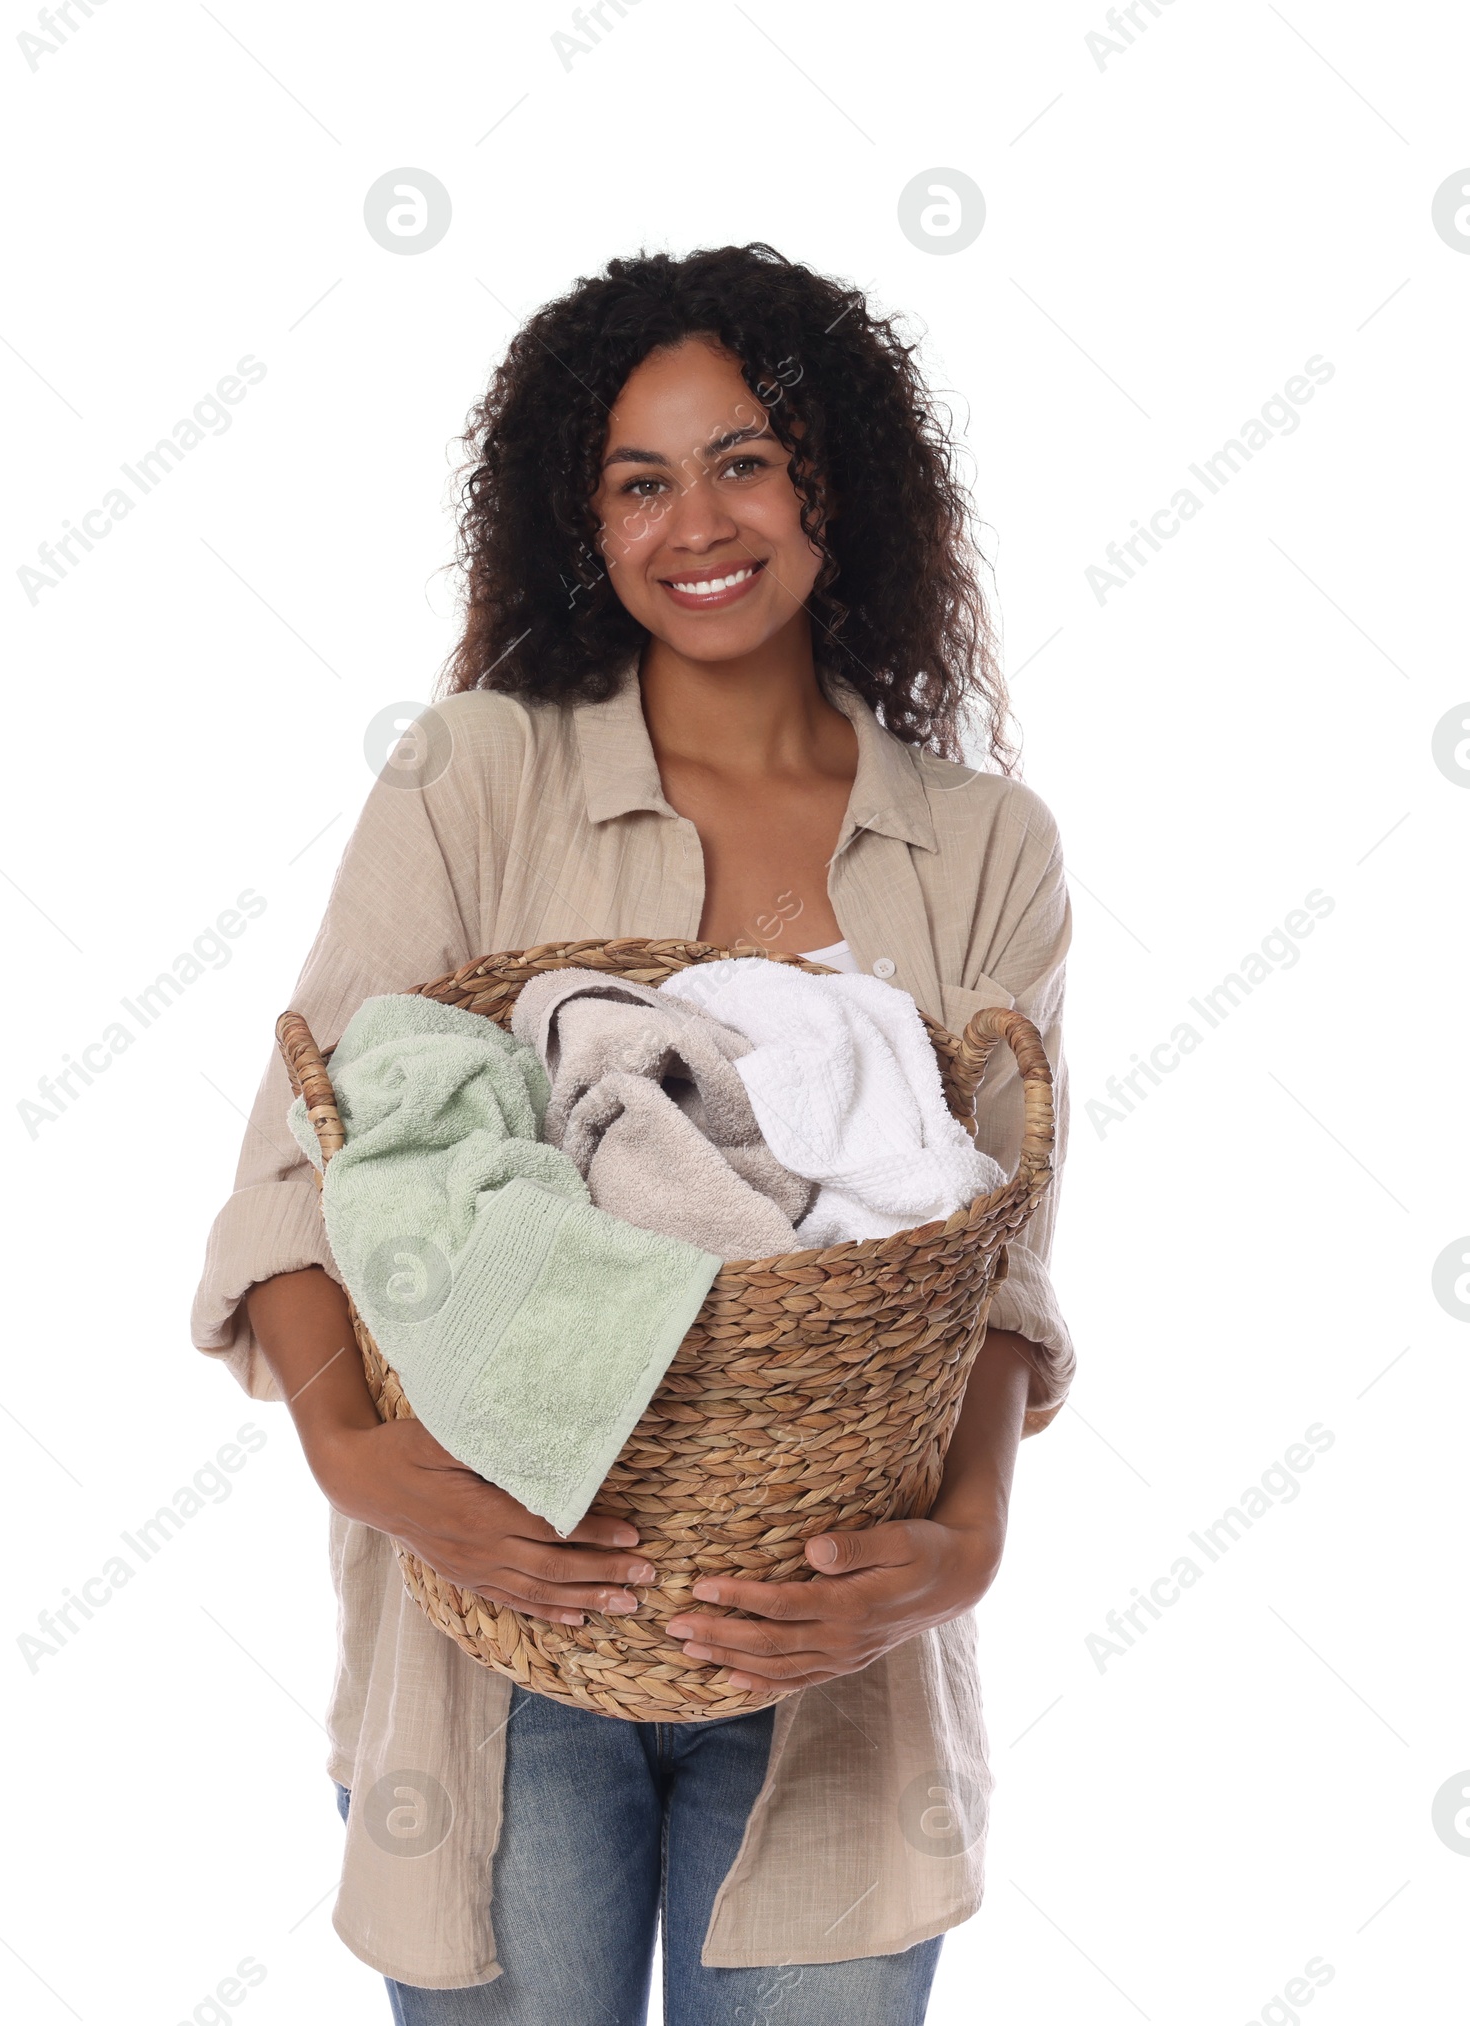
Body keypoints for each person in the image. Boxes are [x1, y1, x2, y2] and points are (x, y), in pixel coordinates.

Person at [191, 241, 1075, 2025]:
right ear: (579, 518)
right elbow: (302, 1160)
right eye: (639, 478)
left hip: (839, 1649)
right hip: (499, 1640)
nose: (698, 521)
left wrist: (965, 1542)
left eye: (744, 459)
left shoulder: (985, 846)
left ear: (842, 485)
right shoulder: (480, 771)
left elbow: (994, 1255)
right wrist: (362, 1461)